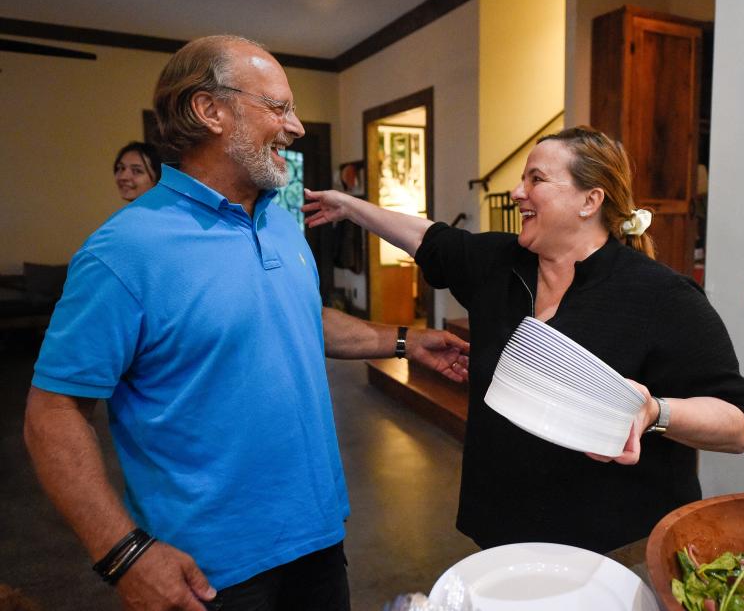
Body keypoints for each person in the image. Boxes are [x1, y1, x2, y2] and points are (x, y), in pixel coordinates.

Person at [23, 35, 469, 611]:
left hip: (318, 532)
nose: (297, 126)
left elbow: (300, 318)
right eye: (279, 107)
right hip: (209, 568)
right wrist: (123, 552)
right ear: (210, 111)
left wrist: (405, 341)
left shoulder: (280, 223)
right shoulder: (122, 252)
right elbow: (52, 414)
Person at [302, 126, 744, 554]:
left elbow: (737, 426)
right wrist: (350, 207)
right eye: (521, 179)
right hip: (504, 532)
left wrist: (655, 411)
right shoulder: (501, 263)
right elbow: (428, 238)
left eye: (535, 179)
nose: (518, 192)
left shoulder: (661, 296)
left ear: (590, 200)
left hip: (611, 546)